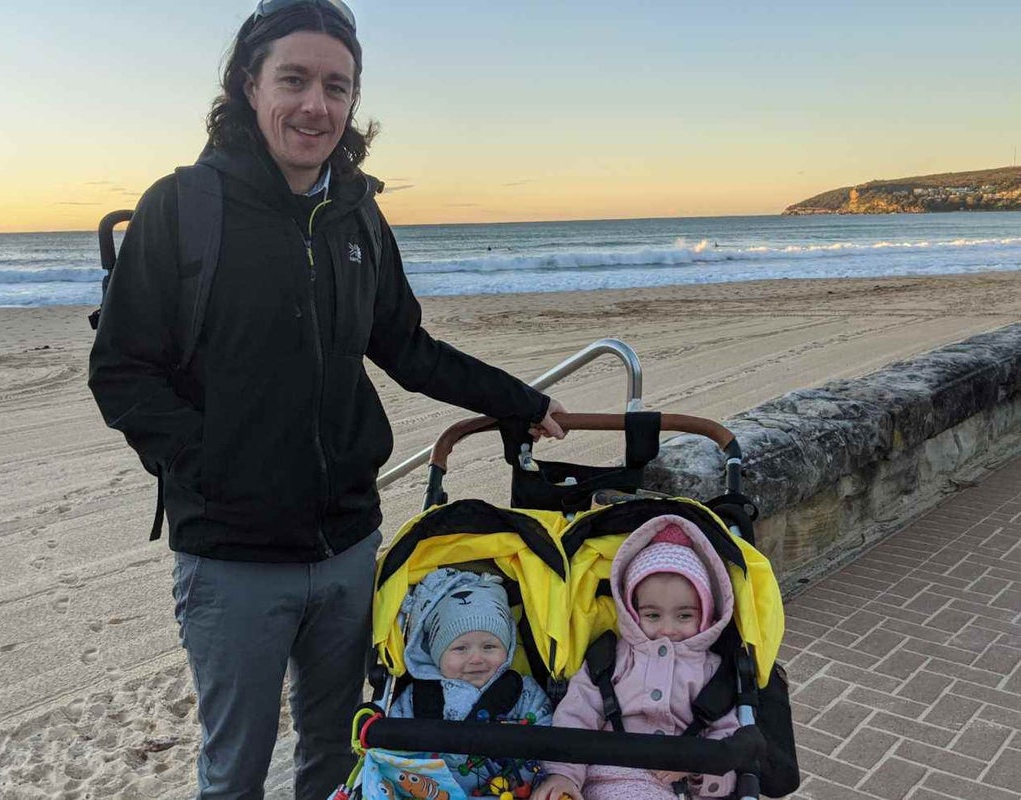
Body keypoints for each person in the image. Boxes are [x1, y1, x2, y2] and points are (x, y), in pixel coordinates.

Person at [86, 1, 565, 798]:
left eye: (336, 86)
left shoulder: (357, 212)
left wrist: (515, 399)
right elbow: (121, 371)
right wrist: (212, 465)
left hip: (347, 545)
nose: (316, 105)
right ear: (248, 85)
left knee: (339, 753)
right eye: (295, 79)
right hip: (230, 555)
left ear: (352, 102)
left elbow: (405, 345)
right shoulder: (183, 208)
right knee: (234, 769)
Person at [533, 516, 739, 800]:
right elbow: (576, 717)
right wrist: (563, 774)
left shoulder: (713, 673)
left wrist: (696, 765)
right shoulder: (609, 659)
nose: (667, 629)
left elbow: (727, 740)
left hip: (674, 786)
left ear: (706, 615)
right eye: (652, 615)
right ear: (632, 613)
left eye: (684, 615)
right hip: (604, 776)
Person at [388, 569, 553, 797]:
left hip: (507, 791)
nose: (476, 659)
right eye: (460, 649)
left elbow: (548, 735)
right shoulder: (418, 697)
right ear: (436, 654)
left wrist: (526, 776)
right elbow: (392, 743)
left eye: (489, 647)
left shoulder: (522, 691)